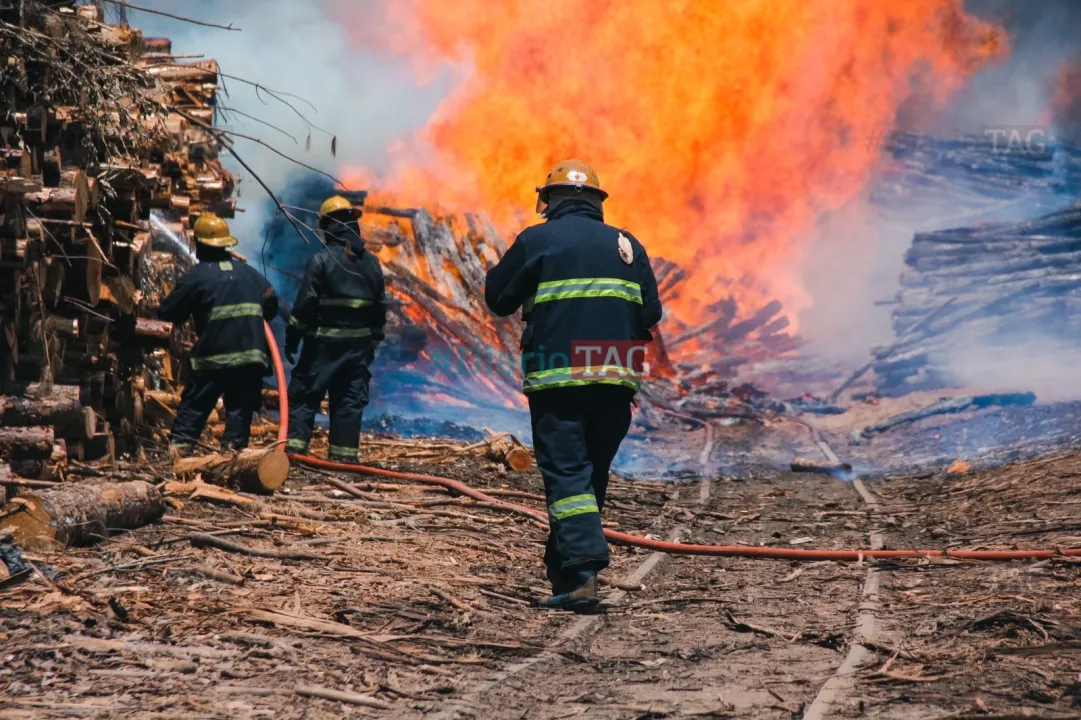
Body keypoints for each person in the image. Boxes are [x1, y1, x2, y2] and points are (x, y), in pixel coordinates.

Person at [484, 160, 663, 610]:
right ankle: (563, 570)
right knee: (588, 475)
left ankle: (583, 571)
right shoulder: (627, 243)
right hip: (615, 376)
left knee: (567, 474)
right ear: (597, 203)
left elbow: (497, 298)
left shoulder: (537, 239)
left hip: (558, 376)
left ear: (550, 200)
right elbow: (650, 314)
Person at [160, 213, 279, 453]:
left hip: (213, 357)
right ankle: (233, 459)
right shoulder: (250, 274)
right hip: (250, 358)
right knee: (240, 410)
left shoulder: (196, 276)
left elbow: (169, 312)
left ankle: (178, 456)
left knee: (195, 406)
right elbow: (272, 305)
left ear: (200, 245)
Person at [284, 195, 387, 463]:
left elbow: (305, 305)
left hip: (322, 348)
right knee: (348, 404)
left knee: (305, 397)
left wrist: (292, 340)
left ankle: (295, 459)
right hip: (358, 352)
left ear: (328, 226)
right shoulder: (372, 264)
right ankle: (344, 463)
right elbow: (380, 307)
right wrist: (373, 342)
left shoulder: (321, 261)